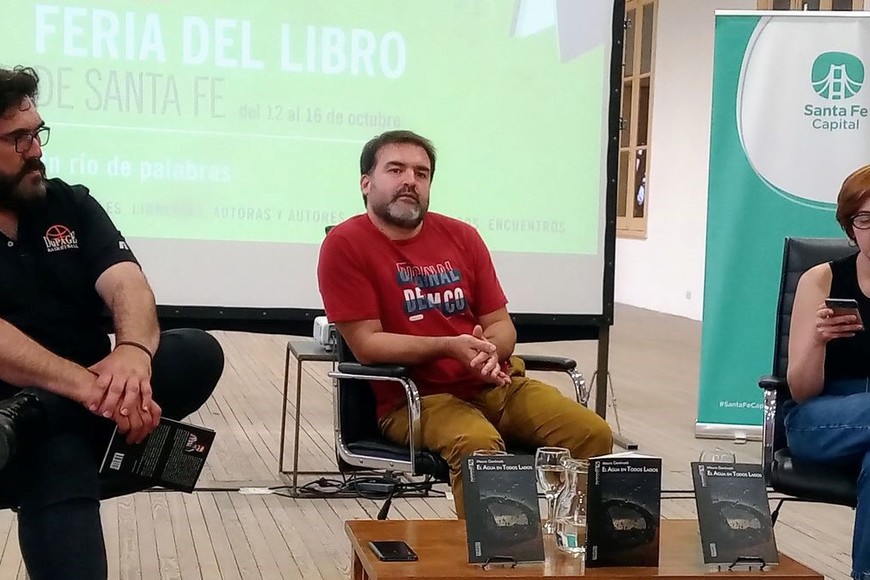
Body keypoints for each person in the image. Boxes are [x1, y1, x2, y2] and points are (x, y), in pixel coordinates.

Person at [0, 66, 224, 579]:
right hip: (51, 399)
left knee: (197, 351)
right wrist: (88, 388)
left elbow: (128, 284)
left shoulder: (69, 202)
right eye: (18, 139)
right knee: (60, 456)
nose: (36, 150)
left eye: (38, 133)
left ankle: (31, 417)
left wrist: (133, 354)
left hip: (81, 402)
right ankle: (50, 422)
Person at [317, 130, 612, 517]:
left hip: (496, 384)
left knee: (592, 434)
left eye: (421, 173)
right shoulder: (345, 244)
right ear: (366, 183)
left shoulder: (462, 236)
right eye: (396, 169)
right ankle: (494, 549)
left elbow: (501, 324)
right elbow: (368, 345)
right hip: (414, 399)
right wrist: (449, 346)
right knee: (478, 446)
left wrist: (490, 351)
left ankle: (570, 538)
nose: (410, 180)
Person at [786, 163, 870, 580]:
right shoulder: (821, 280)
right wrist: (818, 341)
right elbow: (801, 389)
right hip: (820, 418)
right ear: (850, 227)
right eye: (866, 219)